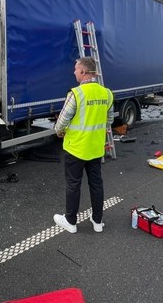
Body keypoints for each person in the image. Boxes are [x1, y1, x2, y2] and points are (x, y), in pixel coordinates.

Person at [53, 57, 114, 233]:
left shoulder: (76, 94)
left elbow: (61, 123)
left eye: (75, 69)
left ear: (83, 72)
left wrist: (60, 132)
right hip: (95, 148)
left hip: (76, 148)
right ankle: (97, 222)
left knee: (73, 184)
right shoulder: (107, 93)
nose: (74, 72)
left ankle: (71, 222)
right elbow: (109, 120)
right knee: (96, 184)